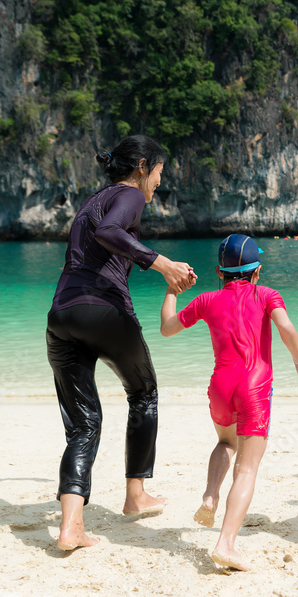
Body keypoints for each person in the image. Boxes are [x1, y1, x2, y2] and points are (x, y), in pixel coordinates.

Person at [47, 135, 197, 551]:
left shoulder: (92, 201)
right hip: (104, 311)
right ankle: (135, 496)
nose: (158, 184)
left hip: (61, 316)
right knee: (144, 392)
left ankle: (71, 526)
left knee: (83, 425)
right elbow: (112, 232)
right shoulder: (129, 195)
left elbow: (100, 235)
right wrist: (163, 264)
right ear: (142, 166)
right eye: (159, 174)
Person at [160, 234, 298, 571]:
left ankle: (210, 495)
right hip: (254, 388)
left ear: (220, 271)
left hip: (220, 386)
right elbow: (286, 327)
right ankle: (226, 544)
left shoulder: (206, 300)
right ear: (256, 272)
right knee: (247, 469)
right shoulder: (267, 295)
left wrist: (173, 290)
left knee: (225, 442)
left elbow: (167, 329)